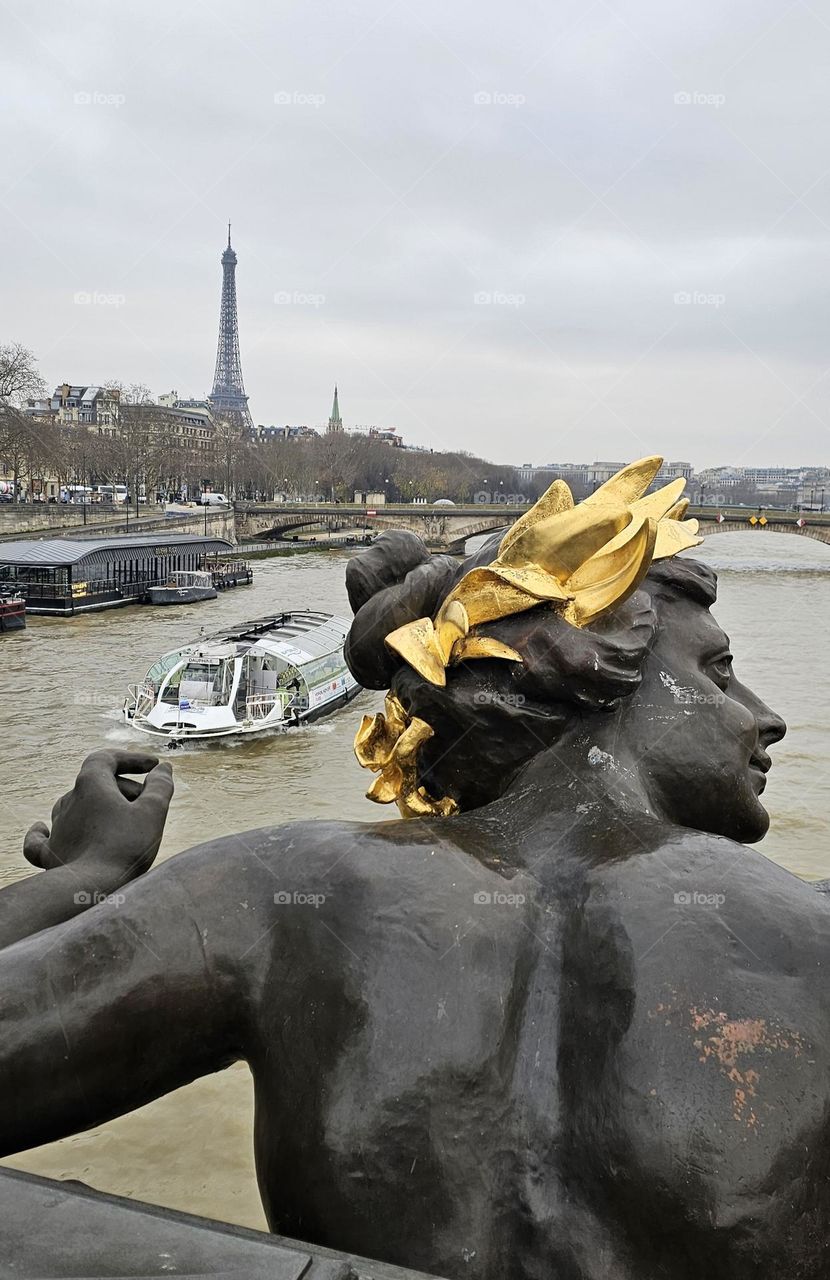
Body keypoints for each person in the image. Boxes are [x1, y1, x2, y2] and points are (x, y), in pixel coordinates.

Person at [0, 471, 826, 1280]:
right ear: (593, 662)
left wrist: (88, 873)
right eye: (717, 672)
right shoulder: (811, 933)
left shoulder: (278, 891)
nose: (762, 716)